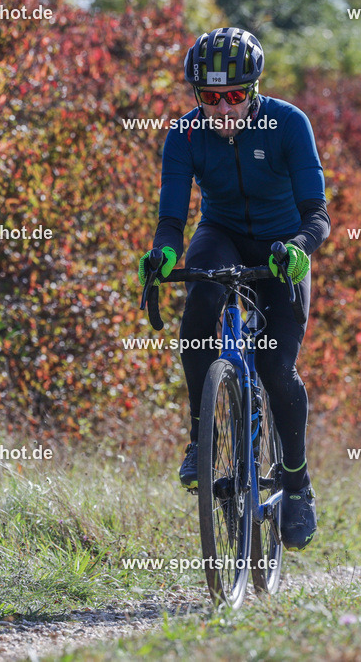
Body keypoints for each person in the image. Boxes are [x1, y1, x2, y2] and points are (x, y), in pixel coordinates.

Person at [137, 27, 330, 551]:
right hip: (219, 235)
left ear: (256, 88)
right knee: (201, 297)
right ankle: (201, 437)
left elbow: (318, 213)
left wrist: (298, 247)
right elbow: (172, 217)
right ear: (197, 96)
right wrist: (164, 255)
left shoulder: (289, 124)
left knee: (274, 366)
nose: (222, 109)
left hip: (281, 246)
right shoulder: (184, 134)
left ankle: (296, 485)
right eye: (210, 98)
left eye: (235, 96)